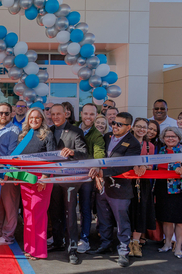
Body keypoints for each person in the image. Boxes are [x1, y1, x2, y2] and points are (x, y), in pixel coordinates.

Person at [88, 112, 141, 268]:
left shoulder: (133, 143)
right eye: (114, 123)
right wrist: (98, 172)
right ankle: (105, 244)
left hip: (120, 188)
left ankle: (124, 250)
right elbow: (99, 156)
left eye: (120, 124)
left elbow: (127, 165)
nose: (115, 126)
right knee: (103, 217)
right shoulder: (106, 137)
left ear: (129, 127)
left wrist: (104, 172)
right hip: (101, 185)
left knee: (121, 220)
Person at [47, 104, 88, 265]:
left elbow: (84, 154)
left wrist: (72, 152)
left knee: (70, 214)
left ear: (66, 114)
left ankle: (72, 249)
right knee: (55, 213)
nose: (55, 117)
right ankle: (58, 242)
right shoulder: (48, 131)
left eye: (58, 114)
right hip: (52, 179)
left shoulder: (75, 131)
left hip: (70, 179)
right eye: (53, 114)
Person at [18, 107, 56, 260]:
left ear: (42, 120)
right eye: (31, 117)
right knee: (27, 215)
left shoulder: (47, 135)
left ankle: (38, 251)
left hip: (41, 179)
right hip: (25, 178)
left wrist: (45, 177)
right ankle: (29, 248)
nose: (34, 120)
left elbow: (52, 157)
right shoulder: (23, 136)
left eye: (37, 118)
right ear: (27, 119)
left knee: (38, 215)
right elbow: (16, 158)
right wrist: (15, 176)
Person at [154, 127, 182, 259]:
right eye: (167, 136)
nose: (170, 138)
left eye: (173, 136)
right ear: (163, 138)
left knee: (180, 220)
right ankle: (167, 244)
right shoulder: (161, 151)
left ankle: (178, 247)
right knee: (166, 219)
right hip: (163, 188)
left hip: (180, 189)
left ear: (179, 138)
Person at [74, 103, 105, 253]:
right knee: (69, 207)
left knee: (85, 208)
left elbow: (99, 152)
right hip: (71, 175)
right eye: (86, 114)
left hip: (86, 176)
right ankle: (69, 236)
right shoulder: (73, 127)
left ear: (96, 115)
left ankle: (84, 238)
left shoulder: (97, 134)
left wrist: (97, 164)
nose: (88, 117)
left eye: (92, 114)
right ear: (81, 114)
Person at [0, 103, 20, 246]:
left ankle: (8, 236)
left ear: (11, 114)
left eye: (6, 113)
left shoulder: (15, 130)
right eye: (1, 112)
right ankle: (0, 230)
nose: (3, 115)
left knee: (10, 206)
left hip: (7, 172)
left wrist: (8, 171)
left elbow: (12, 154)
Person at [128, 117, 156, 258]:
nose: (141, 129)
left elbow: (152, 164)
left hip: (143, 183)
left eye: (144, 127)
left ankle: (136, 242)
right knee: (128, 212)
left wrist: (144, 165)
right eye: (138, 126)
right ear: (132, 127)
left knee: (141, 211)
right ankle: (127, 242)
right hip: (127, 182)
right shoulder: (125, 142)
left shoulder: (148, 146)